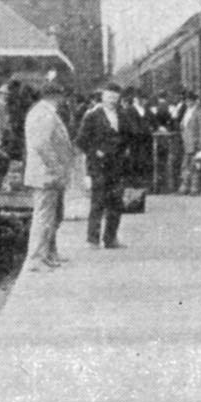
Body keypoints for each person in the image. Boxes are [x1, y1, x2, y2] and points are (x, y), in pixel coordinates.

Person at [21, 80, 75, 271]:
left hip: (50, 175)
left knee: (53, 216)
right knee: (44, 217)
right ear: (56, 97)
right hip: (46, 175)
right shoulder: (44, 114)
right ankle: (35, 259)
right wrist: (57, 167)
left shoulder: (45, 112)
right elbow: (42, 144)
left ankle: (48, 253)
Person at [77, 81, 129, 249]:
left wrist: (124, 151)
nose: (112, 100)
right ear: (103, 96)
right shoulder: (92, 115)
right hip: (99, 166)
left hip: (117, 165)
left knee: (116, 202)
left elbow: (128, 136)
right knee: (98, 202)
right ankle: (92, 240)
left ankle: (111, 238)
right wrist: (95, 151)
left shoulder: (122, 114)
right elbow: (81, 141)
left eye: (115, 97)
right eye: (109, 96)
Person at [178, 91, 201, 194]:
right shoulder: (187, 111)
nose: (187, 102)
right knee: (186, 165)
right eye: (186, 100)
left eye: (189, 100)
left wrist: (200, 142)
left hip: (194, 142)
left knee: (195, 165)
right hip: (186, 142)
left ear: (194, 101)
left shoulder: (198, 112)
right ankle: (185, 186)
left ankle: (194, 187)